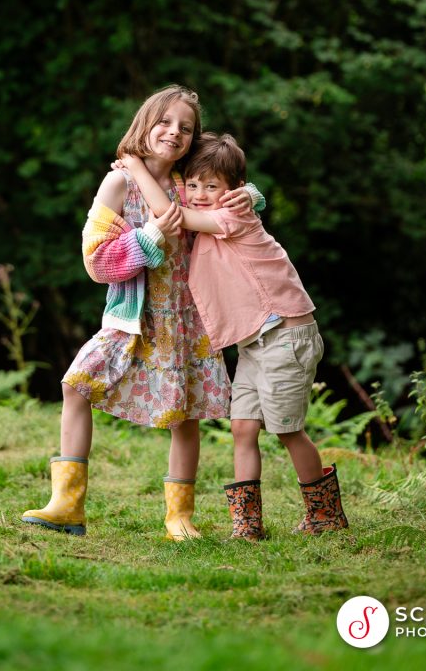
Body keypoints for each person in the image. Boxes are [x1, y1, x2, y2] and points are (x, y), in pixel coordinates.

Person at [22, 86, 258, 541]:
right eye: (165, 122)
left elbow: (234, 184)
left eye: (186, 128)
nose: (174, 133)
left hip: (189, 317)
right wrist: (149, 235)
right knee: (76, 385)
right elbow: (96, 260)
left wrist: (252, 196)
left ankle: (179, 517)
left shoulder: (192, 178)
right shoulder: (118, 182)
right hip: (132, 316)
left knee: (184, 416)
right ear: (145, 122)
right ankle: (68, 504)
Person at [118, 133, 349, 540]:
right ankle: (247, 526)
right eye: (193, 185)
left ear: (233, 191)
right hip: (253, 343)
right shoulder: (214, 204)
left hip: (286, 334)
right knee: (242, 428)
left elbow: (173, 214)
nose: (201, 194)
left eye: (212, 186)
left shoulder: (232, 215)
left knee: (286, 429)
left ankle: (325, 515)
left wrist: (135, 166)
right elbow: (179, 203)